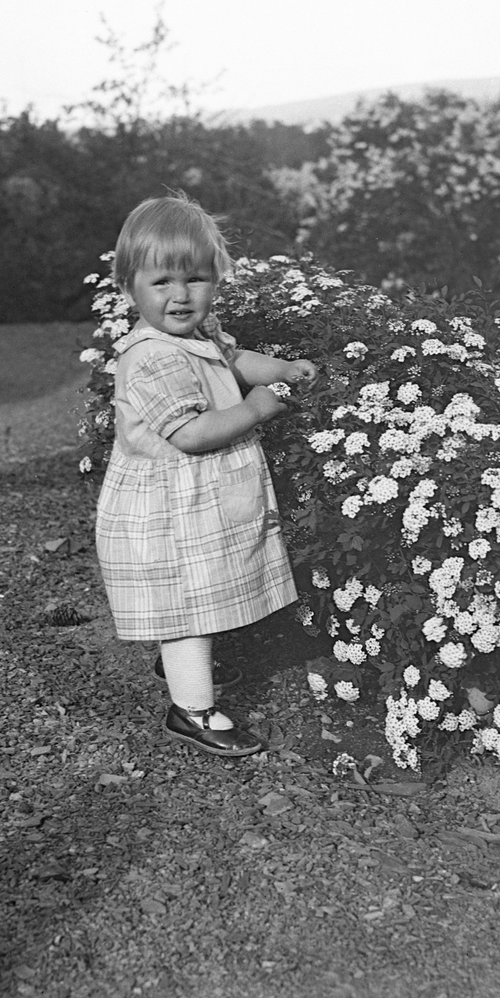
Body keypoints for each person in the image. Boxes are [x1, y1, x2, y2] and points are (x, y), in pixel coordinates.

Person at [95, 193, 317, 757]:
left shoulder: (197, 337)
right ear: (130, 289)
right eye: (162, 282)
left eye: (195, 279)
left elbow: (235, 361)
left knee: (201, 595)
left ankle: (186, 669)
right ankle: (191, 708)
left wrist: (286, 370)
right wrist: (258, 409)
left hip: (201, 500)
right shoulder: (149, 358)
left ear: (216, 282)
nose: (180, 295)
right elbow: (190, 434)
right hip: (168, 512)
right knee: (188, 605)